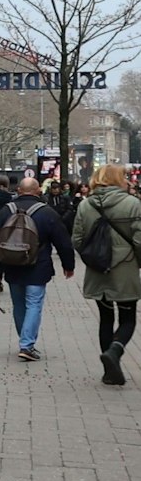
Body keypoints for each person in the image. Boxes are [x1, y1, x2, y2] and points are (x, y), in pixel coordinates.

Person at [0, 176, 76, 362]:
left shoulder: (5, 211)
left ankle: (25, 340)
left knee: (18, 304)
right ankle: (27, 344)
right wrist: (68, 265)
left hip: (12, 265)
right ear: (38, 191)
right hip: (38, 266)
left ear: (18, 191)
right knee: (34, 303)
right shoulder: (46, 212)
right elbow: (63, 241)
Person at [73, 164, 141, 385]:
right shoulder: (132, 204)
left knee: (105, 317)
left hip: (97, 267)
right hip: (126, 267)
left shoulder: (85, 205)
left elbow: (77, 238)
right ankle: (115, 351)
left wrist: (90, 258)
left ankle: (109, 370)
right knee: (128, 316)